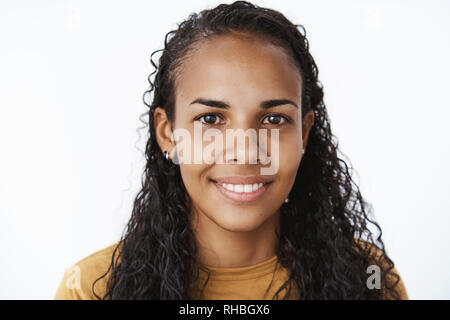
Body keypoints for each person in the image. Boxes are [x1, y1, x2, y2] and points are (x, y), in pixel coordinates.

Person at [54, 1, 408, 300]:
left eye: (273, 119)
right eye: (210, 118)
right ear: (167, 134)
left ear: (304, 133)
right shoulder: (93, 288)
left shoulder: (367, 280)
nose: (244, 152)